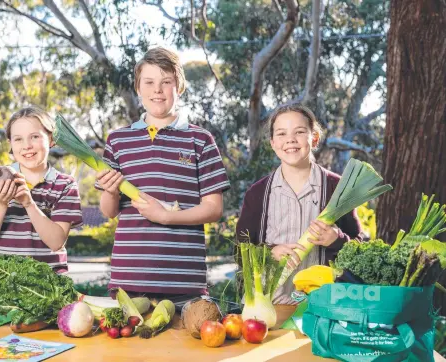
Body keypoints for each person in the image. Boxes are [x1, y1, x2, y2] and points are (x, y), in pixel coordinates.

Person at [95, 47, 230, 300]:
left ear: (178, 87)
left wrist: (165, 217)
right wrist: (111, 191)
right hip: (129, 279)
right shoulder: (118, 140)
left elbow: (214, 209)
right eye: (149, 82)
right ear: (138, 88)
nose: (157, 90)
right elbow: (108, 211)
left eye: (166, 82)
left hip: (184, 281)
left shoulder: (200, 140)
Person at [236, 103, 363, 304]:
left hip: (322, 308)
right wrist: (269, 253)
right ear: (272, 143)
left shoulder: (337, 188)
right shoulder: (258, 193)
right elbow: (240, 250)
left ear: (314, 138)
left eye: (299, 131)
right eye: (281, 134)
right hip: (268, 307)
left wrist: (336, 240)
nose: (290, 140)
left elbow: (362, 248)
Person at [0, 106, 82, 273]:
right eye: (18, 139)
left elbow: (56, 242)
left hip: (46, 288)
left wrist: (29, 204)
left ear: (51, 139)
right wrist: (1, 202)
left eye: (35, 137)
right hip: (0, 285)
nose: (27, 146)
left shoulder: (65, 185)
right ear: (10, 144)